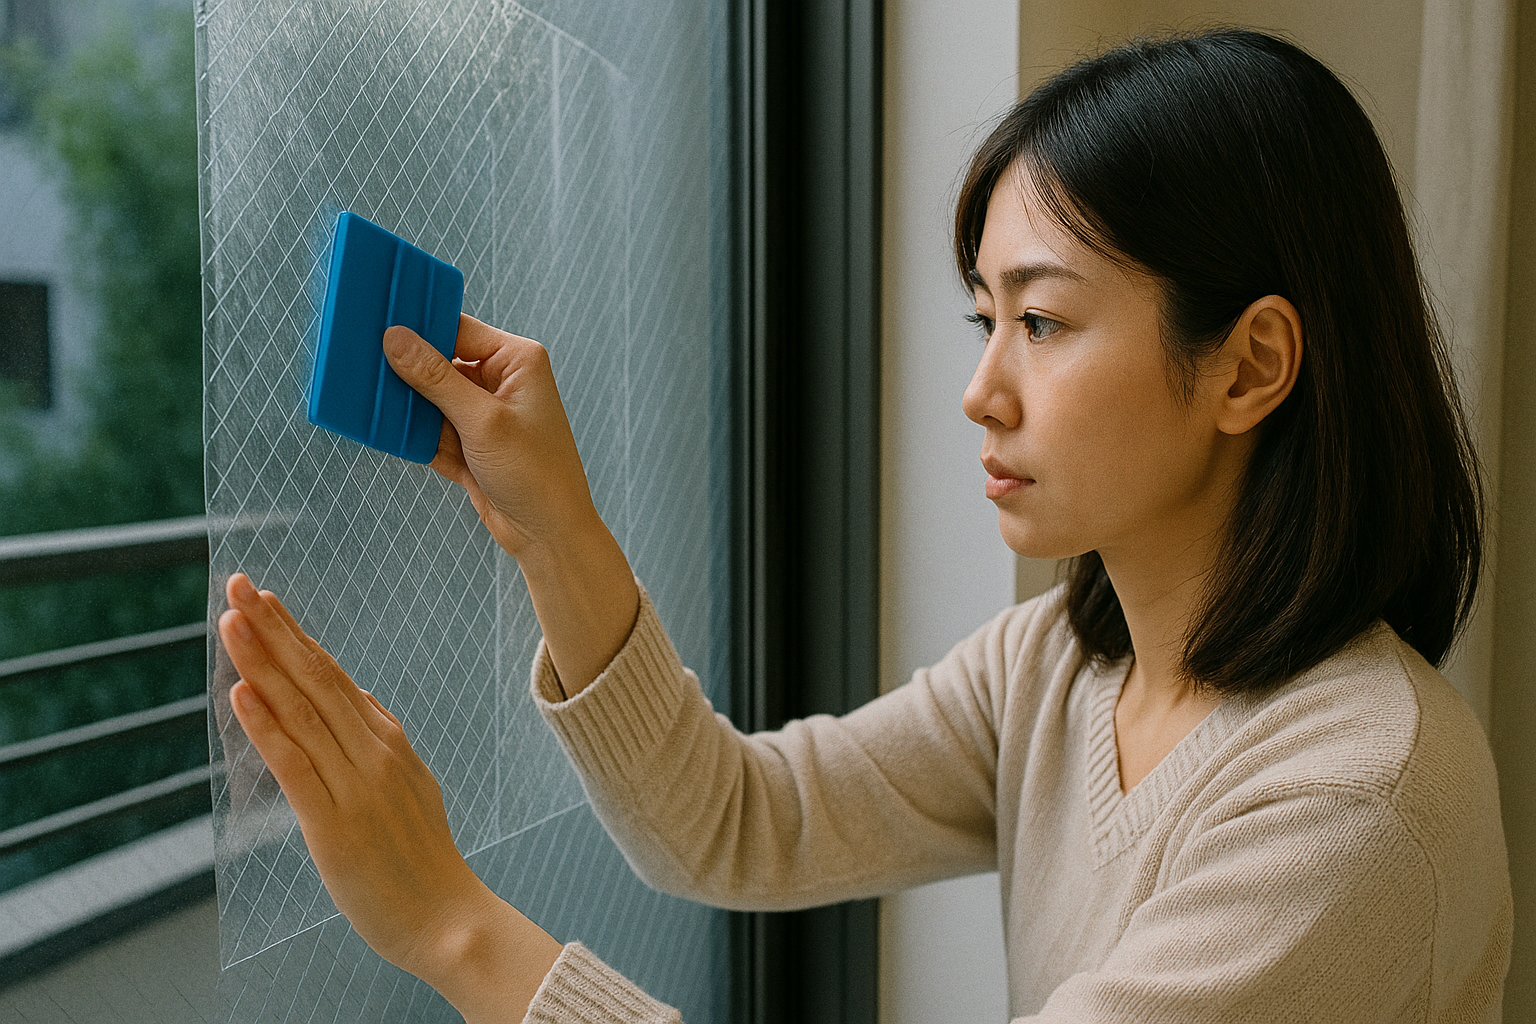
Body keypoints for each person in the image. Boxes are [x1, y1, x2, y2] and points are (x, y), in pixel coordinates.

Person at [216, 27, 1512, 1023]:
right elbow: (729, 820)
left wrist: (453, 928)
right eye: (983, 320)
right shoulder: (1058, 667)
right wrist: (555, 526)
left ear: (1249, 365)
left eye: (1044, 322)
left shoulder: (1351, 808)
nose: (980, 389)